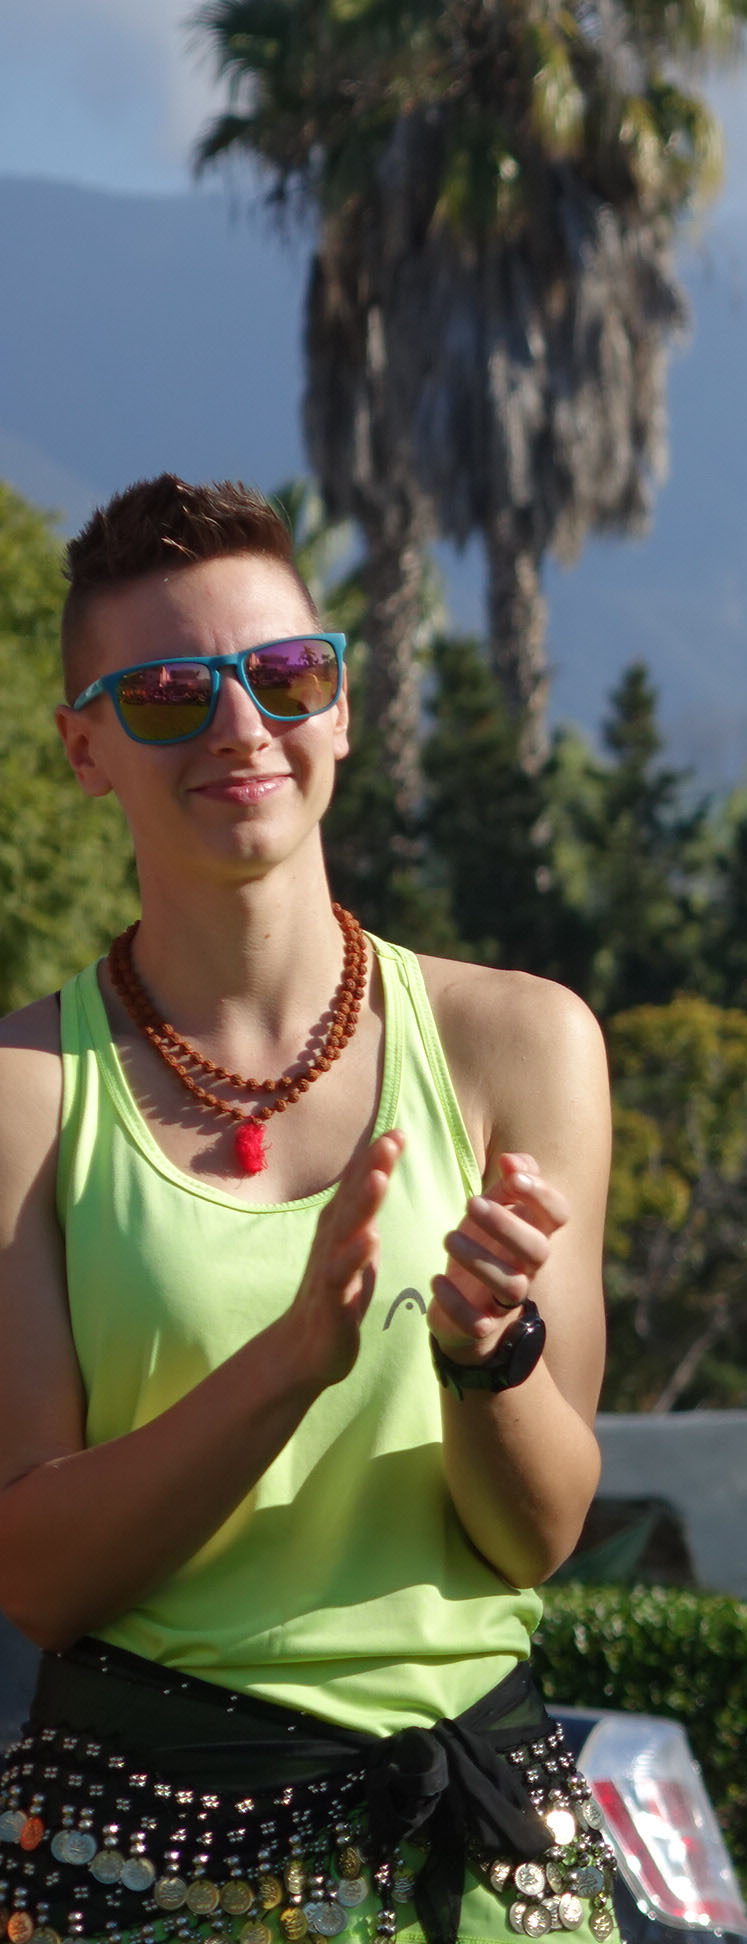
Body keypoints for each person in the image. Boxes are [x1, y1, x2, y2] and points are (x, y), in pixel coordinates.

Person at [0, 477, 616, 1944]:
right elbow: (36, 1576)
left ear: (339, 709)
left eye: (284, 675)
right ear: (85, 748)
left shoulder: (521, 1042)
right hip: (144, 1854)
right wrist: (287, 1363)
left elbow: (536, 1537)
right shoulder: (26, 1093)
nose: (240, 727)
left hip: (485, 1856)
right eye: (167, 694)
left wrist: (487, 1355)